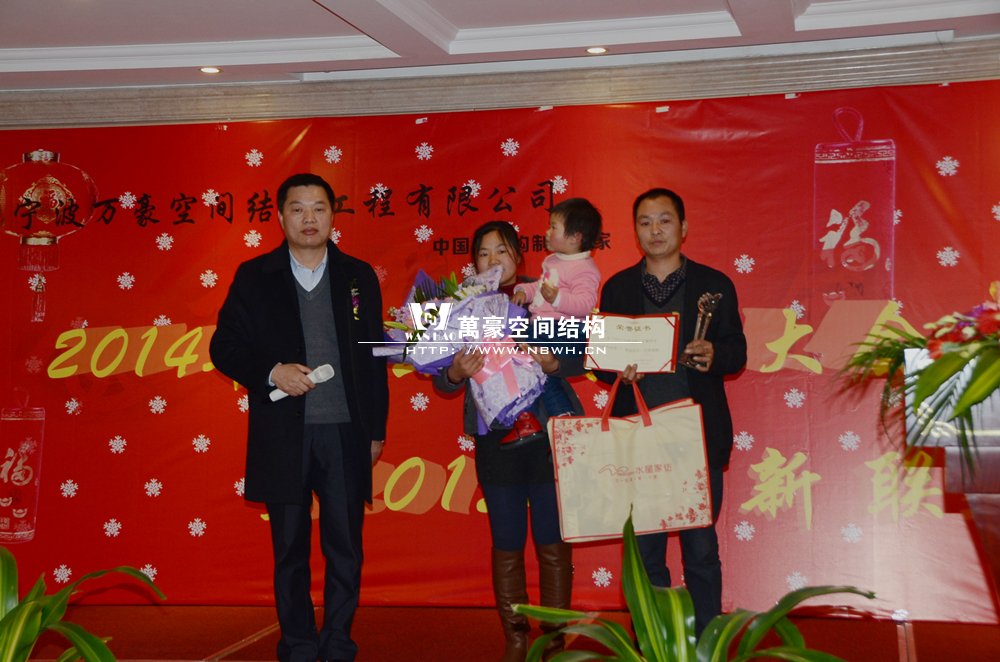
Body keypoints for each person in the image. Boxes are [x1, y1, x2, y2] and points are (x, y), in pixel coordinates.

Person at [209, 173, 389, 662]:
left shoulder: (358, 276)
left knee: (344, 547)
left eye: (319, 208)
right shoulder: (255, 275)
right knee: (289, 549)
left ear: (333, 215)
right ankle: (298, 645)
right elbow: (223, 346)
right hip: (283, 435)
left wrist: (376, 430)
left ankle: (337, 643)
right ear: (280, 216)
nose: (309, 218)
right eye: (298, 208)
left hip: (345, 433)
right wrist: (273, 371)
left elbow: (374, 355)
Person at [597, 187, 746, 635]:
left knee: (701, 551)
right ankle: (654, 643)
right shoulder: (617, 287)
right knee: (645, 555)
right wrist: (618, 370)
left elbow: (737, 352)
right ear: (635, 231)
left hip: (695, 438)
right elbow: (601, 362)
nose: (655, 230)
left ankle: (706, 644)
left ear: (683, 227)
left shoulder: (714, 285)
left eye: (664, 220)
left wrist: (714, 354)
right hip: (639, 439)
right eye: (645, 222)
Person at [434, 220, 584, 662]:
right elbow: (440, 376)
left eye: (501, 251)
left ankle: (553, 642)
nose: (493, 260)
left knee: (553, 542)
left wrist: (553, 363)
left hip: (547, 439)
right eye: (483, 253)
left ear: (518, 258)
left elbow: (578, 357)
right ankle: (516, 639)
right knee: (507, 541)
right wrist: (454, 372)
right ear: (473, 264)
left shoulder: (544, 300)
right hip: (495, 443)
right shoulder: (461, 310)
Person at [511, 198, 602, 438]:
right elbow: (541, 288)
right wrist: (524, 291)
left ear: (575, 237)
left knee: (514, 349)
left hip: (564, 331)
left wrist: (558, 298)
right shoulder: (553, 261)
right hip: (544, 329)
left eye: (553, 227)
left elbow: (586, 305)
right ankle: (560, 415)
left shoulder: (585, 268)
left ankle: (532, 417)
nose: (547, 232)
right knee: (538, 373)